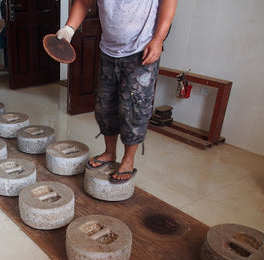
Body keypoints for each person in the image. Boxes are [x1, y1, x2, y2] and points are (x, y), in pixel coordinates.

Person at [57, 0, 177, 183]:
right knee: (105, 107)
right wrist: (69, 30)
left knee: (133, 111)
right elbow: (82, 2)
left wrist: (158, 40)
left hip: (141, 51)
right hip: (109, 51)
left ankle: (128, 160)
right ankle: (109, 153)